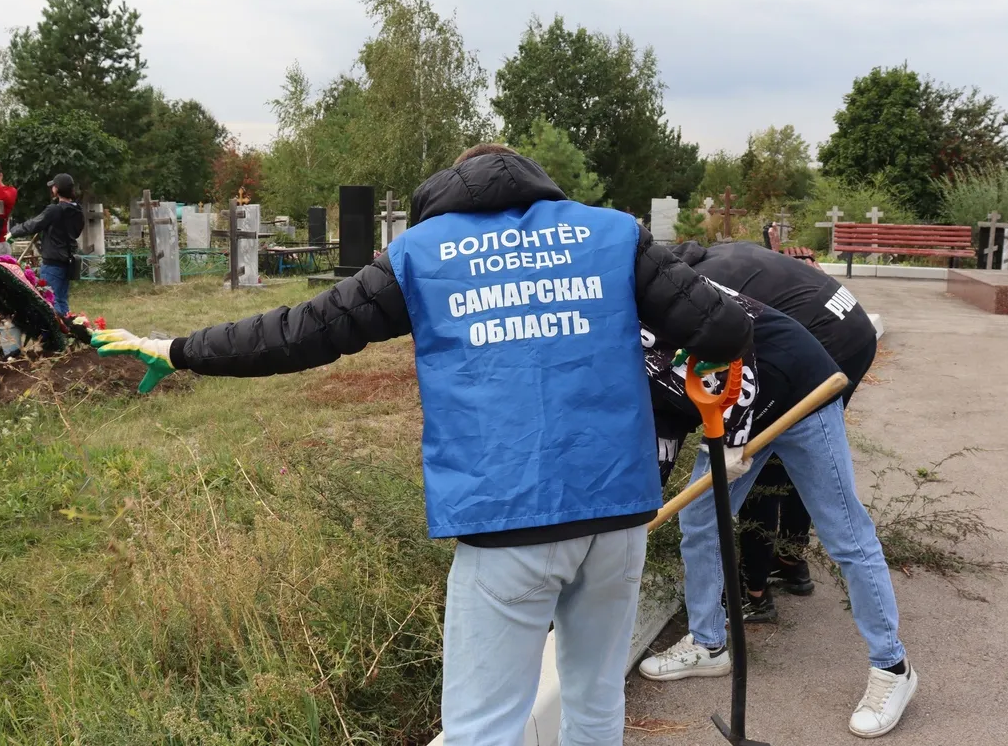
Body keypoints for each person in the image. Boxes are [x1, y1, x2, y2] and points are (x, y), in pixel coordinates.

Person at [93, 146, 753, 746]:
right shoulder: (611, 232)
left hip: (508, 519)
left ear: (443, 195)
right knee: (595, 700)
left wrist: (177, 349)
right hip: (616, 514)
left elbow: (301, 332)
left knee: (480, 729)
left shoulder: (424, 251)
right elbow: (724, 327)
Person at [637, 280, 916, 739]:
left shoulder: (661, 278)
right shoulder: (601, 328)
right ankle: (709, 645)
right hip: (730, 413)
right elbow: (663, 410)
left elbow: (735, 334)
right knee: (698, 520)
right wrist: (644, 499)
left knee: (845, 532)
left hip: (795, 391)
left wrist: (734, 441)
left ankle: (893, 666)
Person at [5, 173, 83, 315]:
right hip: (67, 262)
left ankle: (55, 334)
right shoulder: (77, 210)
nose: (52, 188)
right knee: (61, 300)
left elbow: (33, 224)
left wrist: (13, 232)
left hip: (52, 263)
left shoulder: (55, 210)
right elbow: (76, 232)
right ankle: (67, 331)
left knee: (50, 303)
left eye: (53, 186)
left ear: (57, 189)